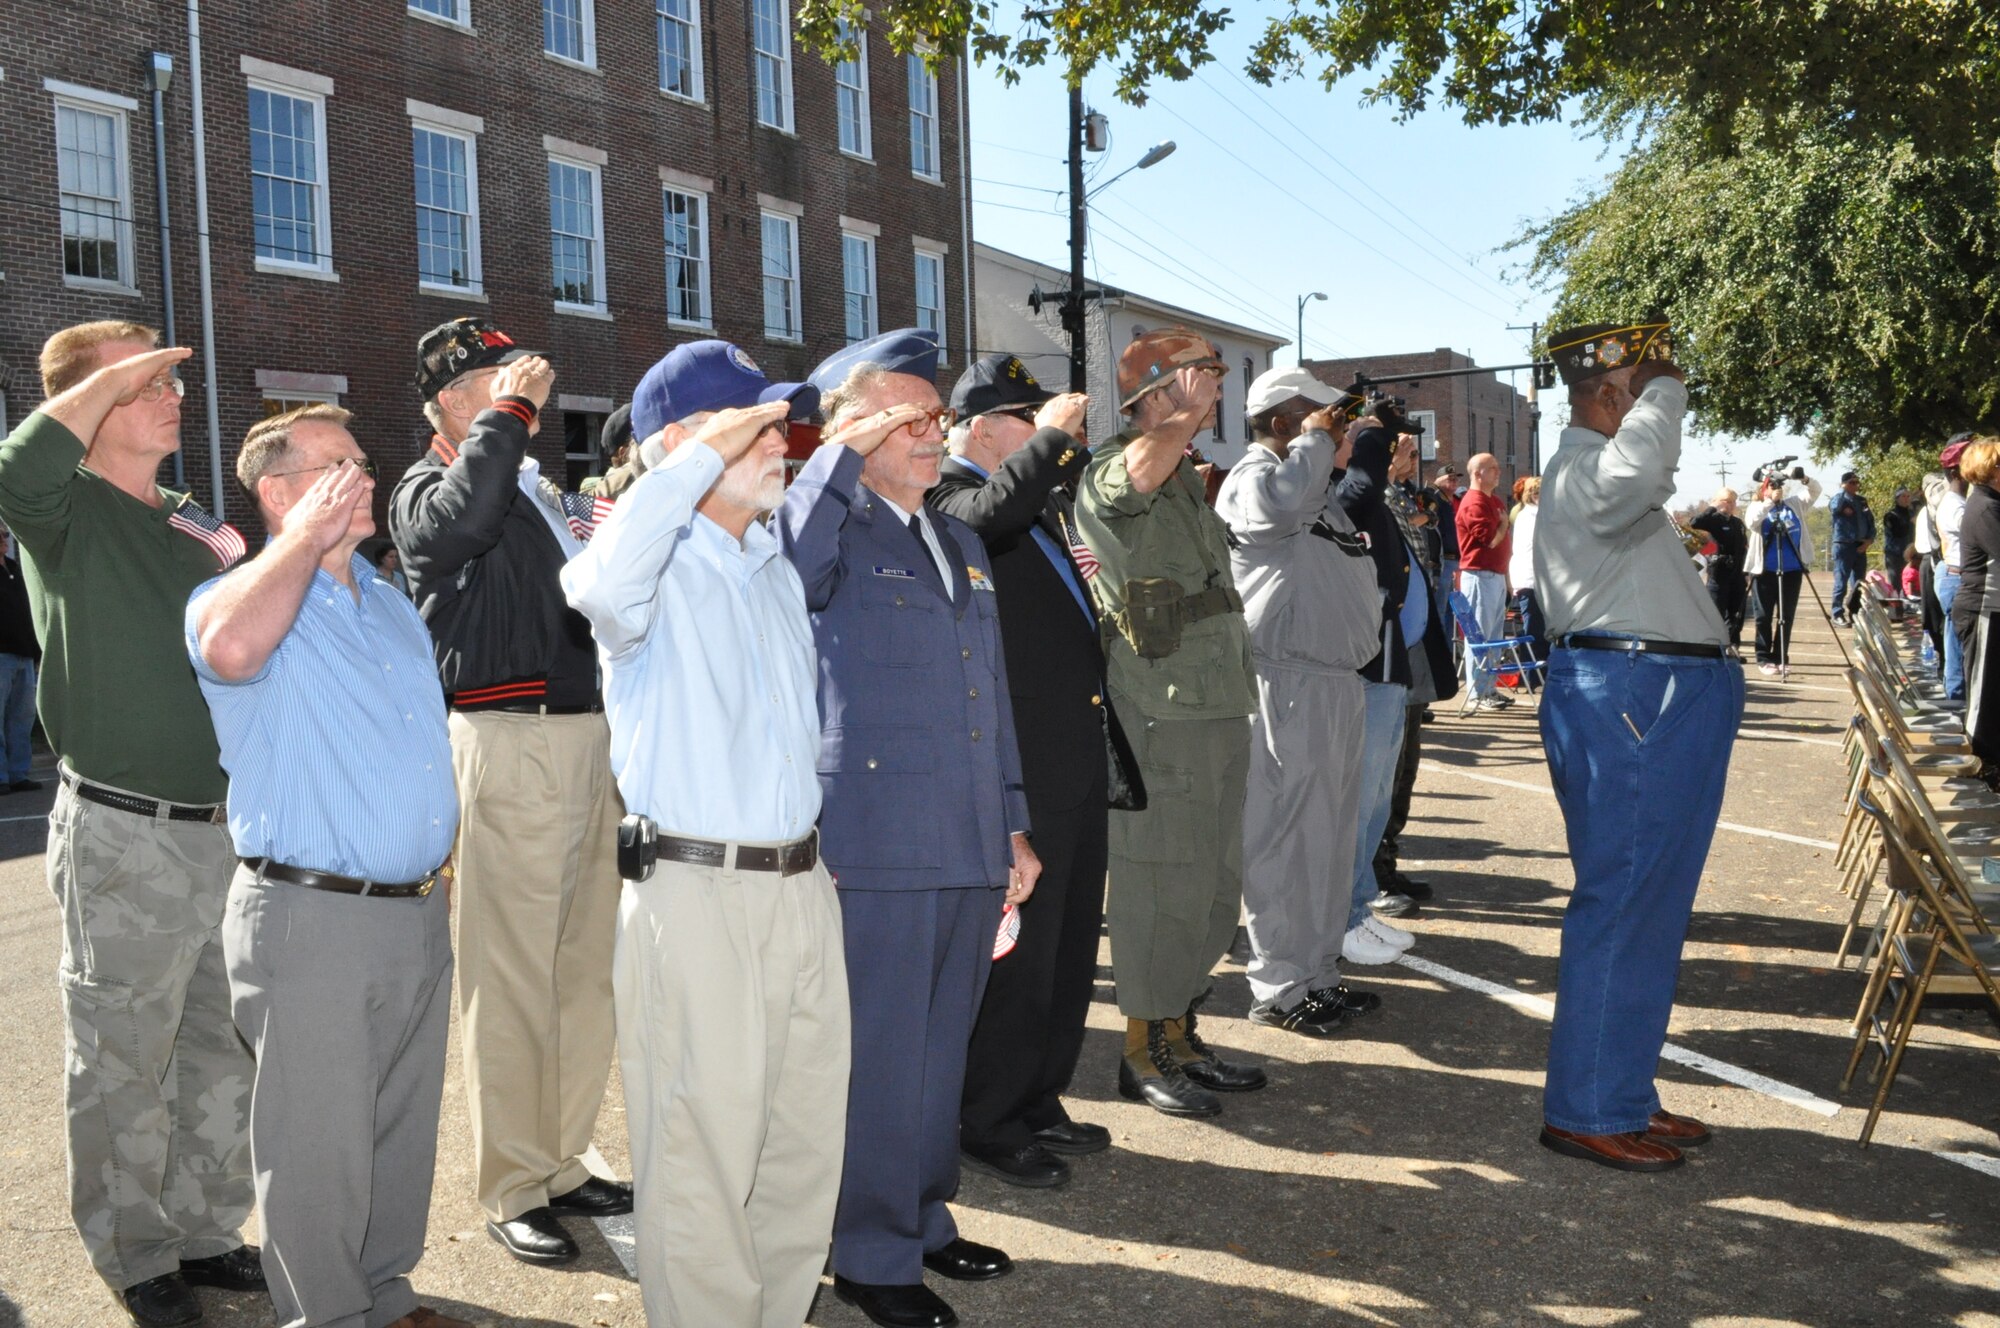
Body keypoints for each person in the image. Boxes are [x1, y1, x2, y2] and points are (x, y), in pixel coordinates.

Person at [562, 342, 849, 1328]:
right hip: (695, 892)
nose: (781, 443)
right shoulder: (646, 565)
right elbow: (595, 583)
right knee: (701, 1150)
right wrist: (681, 463)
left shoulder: (768, 561)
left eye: (779, 424)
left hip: (798, 886)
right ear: (681, 443)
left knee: (797, 1141)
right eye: (756, 427)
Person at [0, 322, 263, 1328]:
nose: (173, 393)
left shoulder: (187, 513)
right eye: (147, 380)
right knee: (121, 1054)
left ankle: (205, 1228)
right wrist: (108, 371)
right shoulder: (61, 509)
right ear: (89, 403)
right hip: (127, 831)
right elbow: (17, 459)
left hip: (227, 825)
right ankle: (134, 1249)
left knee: (218, 1043)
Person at [776, 328, 1040, 1328]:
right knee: (882, 1051)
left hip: (967, 831)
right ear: (850, 430)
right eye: (907, 417)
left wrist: (1012, 821)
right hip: (875, 832)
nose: (933, 433)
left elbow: (991, 695)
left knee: (939, 1046)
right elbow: (789, 566)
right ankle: (867, 1250)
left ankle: (922, 1214)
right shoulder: (828, 528)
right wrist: (838, 456)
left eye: (936, 416)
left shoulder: (959, 538)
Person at [188, 406, 464, 1328]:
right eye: (339, 466)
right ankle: (330, 1317)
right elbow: (228, 648)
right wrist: (300, 541)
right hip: (314, 918)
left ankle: (383, 1294)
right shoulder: (240, 594)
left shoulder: (385, 601)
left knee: (398, 1127)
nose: (367, 477)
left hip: (417, 911)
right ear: (279, 492)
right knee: (317, 1144)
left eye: (363, 460)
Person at [388, 318, 630, 1266]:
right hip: (507, 736)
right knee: (511, 979)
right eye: (491, 379)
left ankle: (562, 1160)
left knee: (580, 974)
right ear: (451, 400)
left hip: (585, 738)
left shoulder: (534, 487)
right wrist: (514, 412)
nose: (517, 387)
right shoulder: (429, 487)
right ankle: (511, 1183)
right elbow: (461, 528)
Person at [1534, 319, 1741, 1173]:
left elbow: (1644, 478)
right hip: (1635, 697)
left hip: (1657, 695)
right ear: (1611, 396)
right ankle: (1588, 1105)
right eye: (1645, 392)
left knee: (1649, 906)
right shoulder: (1587, 468)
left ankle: (1618, 1091)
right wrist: (1666, 387)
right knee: (1625, 901)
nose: (1664, 407)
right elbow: (1641, 469)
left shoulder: (1599, 475)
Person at [928, 354, 1116, 1190]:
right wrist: (1049, 446)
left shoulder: (1031, 499)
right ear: (979, 429)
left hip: (1068, 752)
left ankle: (1040, 1093)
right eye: (1022, 420)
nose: (1041, 432)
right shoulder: (948, 496)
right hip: (1017, 765)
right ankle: (990, 1115)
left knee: (1070, 943)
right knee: (1022, 954)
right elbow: (985, 523)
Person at [1072, 328, 1267, 1121]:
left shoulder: (1185, 477)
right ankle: (1140, 1049)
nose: (1213, 389)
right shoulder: (1119, 466)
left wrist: (1182, 428)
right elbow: (1128, 482)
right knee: (1161, 884)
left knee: (1216, 883)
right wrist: (1176, 420)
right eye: (1198, 377)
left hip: (1218, 704)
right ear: (1154, 393)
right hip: (1163, 713)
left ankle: (1181, 1031)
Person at [1217, 367, 1387, 1036]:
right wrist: (1315, 445)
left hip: (1336, 685)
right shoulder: (1256, 478)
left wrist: (1318, 450)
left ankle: (1317, 975)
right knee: (1284, 843)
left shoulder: (1314, 489)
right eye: (1324, 420)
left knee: (1329, 841)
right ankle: (1280, 988)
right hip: (1286, 683)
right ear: (1287, 424)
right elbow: (1279, 513)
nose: (1339, 431)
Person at [1330, 409, 1423, 966]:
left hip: (1387, 660)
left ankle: (1359, 908)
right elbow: (1361, 487)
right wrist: (1369, 434)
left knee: (1376, 800)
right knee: (1360, 801)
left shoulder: (1358, 487)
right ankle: (1346, 916)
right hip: (1364, 662)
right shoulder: (1334, 489)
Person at [1375, 435, 1459, 906]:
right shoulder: (1375, 495)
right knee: (1384, 773)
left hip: (1414, 650)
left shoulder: (1402, 494)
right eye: (1401, 451)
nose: (1411, 458)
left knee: (1405, 767)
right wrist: (1385, 462)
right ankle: (1375, 871)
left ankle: (1388, 861)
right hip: (1388, 654)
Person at [1949, 439, 2000, 778]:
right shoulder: (1984, 507)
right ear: (1991, 469)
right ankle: (1983, 766)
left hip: (1992, 610)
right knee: (1983, 696)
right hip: (1981, 609)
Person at [1744, 468, 1818, 676]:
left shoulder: (1793, 504)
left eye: (1779, 487)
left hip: (1792, 569)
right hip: (1765, 570)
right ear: (1764, 489)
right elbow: (1751, 522)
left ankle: (1781, 657)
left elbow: (1815, 491)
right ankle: (1763, 658)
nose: (1778, 490)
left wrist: (1803, 478)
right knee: (1763, 616)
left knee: (1786, 615)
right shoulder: (1756, 506)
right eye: (1773, 486)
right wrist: (1769, 501)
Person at [1454, 453, 1513, 708]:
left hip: (1495, 575)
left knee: (1494, 635)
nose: (1498, 472)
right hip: (1479, 575)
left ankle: (1489, 688)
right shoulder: (1474, 502)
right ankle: (1479, 693)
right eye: (1493, 468)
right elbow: (1489, 540)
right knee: (1480, 636)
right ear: (1478, 474)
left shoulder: (1493, 500)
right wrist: (1502, 524)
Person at [0, 520, 42, 791]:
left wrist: (36, 651)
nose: (4, 538)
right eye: (0, 535)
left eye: (4, 534)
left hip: (24, 656)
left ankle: (18, 774)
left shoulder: (16, 571)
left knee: (21, 718)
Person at [1932, 440, 1971, 701]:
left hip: (1953, 575)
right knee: (1957, 641)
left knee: (1955, 637)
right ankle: (1956, 695)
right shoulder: (1955, 504)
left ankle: (1955, 691)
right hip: (1955, 577)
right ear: (1956, 473)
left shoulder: (1958, 500)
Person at [1689, 489, 1749, 651]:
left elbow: (1743, 548)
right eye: (1726, 501)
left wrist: (1746, 573)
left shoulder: (1737, 523)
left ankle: (1733, 647)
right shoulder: (1713, 520)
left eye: (1732, 502)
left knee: (1736, 613)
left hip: (1736, 573)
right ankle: (1715, 648)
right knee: (1716, 613)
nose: (1729, 505)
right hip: (1718, 573)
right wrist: (1713, 507)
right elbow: (1694, 523)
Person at [1829, 469, 1876, 623]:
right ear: (1844, 484)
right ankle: (1837, 613)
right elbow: (1835, 508)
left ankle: (1855, 612)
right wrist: (1843, 491)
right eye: (1852, 482)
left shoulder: (1862, 501)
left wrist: (1869, 540)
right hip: (1844, 545)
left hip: (1860, 545)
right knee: (1841, 581)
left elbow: (1870, 521)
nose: (1856, 485)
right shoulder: (1838, 499)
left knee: (1858, 582)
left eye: (1857, 482)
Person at [1509, 477, 1547, 657]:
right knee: (1533, 630)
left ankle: (1539, 674)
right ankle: (1532, 675)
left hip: (1539, 580)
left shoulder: (1537, 514)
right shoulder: (1529, 516)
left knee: (1541, 630)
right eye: (1538, 493)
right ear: (1530, 495)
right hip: (1530, 580)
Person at [1422, 464, 1462, 631]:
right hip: (1443, 560)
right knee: (1440, 608)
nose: (1454, 482)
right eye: (1449, 478)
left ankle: (1450, 650)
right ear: (1438, 481)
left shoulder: (1458, 501)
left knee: (1457, 612)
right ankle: (1440, 650)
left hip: (1459, 561)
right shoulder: (1434, 500)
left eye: (1456, 479)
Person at [1882, 487, 1915, 582]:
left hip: (1910, 554)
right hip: (1895, 555)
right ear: (1897, 498)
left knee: (1909, 581)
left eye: (1908, 496)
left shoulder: (1912, 514)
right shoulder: (1890, 515)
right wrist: (1910, 522)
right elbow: (1898, 533)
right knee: (1896, 583)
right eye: (1903, 496)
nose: (1906, 498)